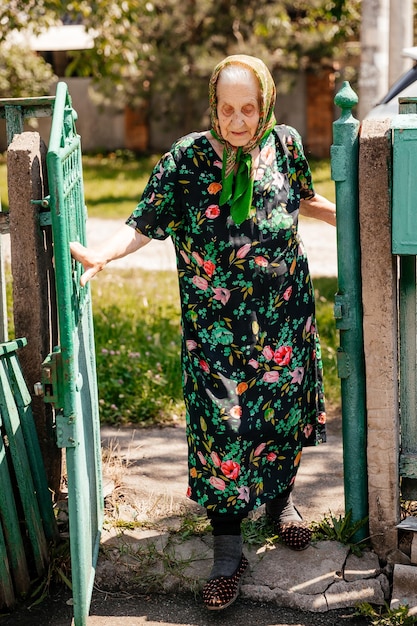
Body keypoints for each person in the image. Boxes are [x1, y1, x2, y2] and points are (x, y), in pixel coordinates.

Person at [70, 54, 336, 611]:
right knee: (222, 432)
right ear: (213, 107)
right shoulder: (186, 160)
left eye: (249, 109)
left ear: (264, 106)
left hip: (282, 316)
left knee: (281, 415)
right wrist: (102, 256)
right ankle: (227, 552)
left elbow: (303, 200)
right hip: (216, 334)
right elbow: (143, 224)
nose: (238, 121)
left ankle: (280, 505)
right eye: (227, 110)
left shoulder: (283, 145)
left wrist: (365, 213)